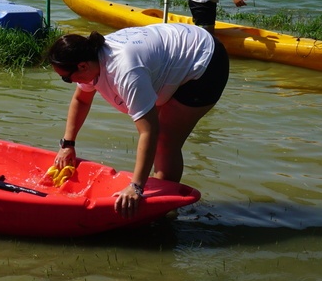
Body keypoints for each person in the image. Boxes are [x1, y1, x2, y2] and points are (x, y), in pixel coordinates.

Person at [48, 24, 229, 218]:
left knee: (165, 141)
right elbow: (81, 100)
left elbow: (149, 131)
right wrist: (68, 144)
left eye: (66, 78)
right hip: (172, 56)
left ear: (82, 65)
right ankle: (157, 192)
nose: (70, 82)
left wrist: (136, 186)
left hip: (205, 62)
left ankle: (164, 209)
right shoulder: (91, 57)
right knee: (154, 128)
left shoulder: (126, 72)